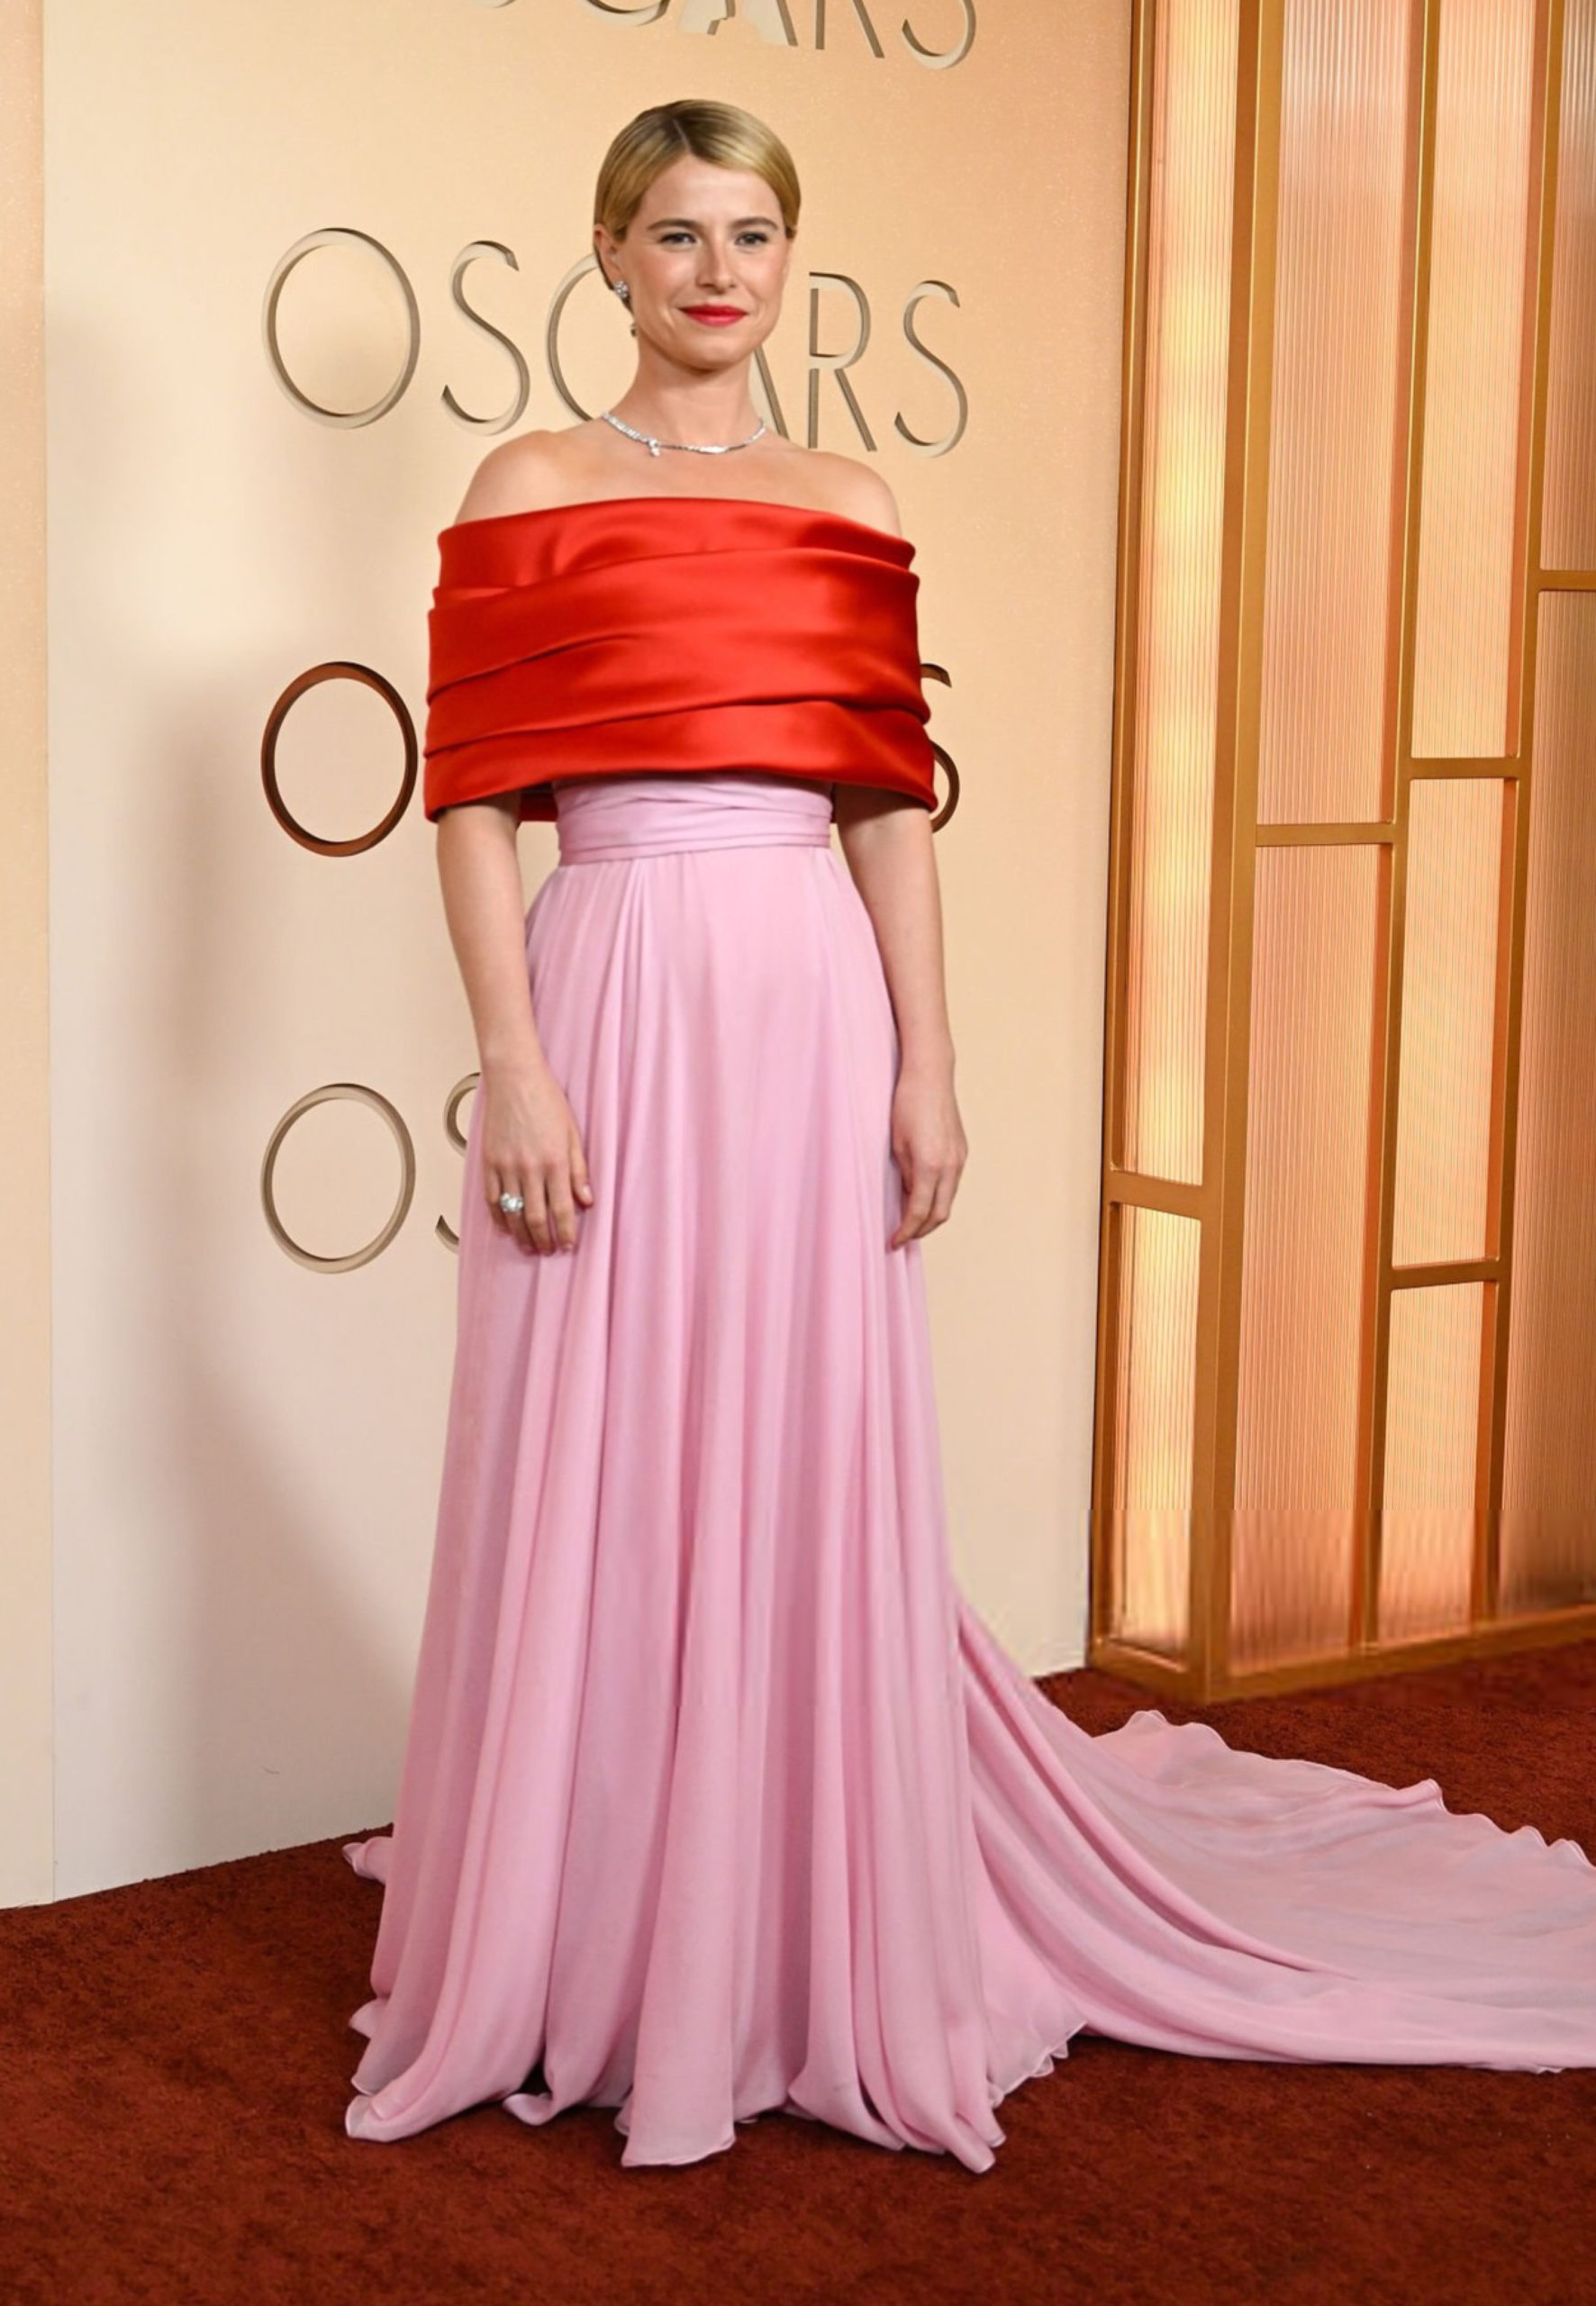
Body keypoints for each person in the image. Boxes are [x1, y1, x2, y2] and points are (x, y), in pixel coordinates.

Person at [341, 98, 1596, 2173]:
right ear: (608, 254)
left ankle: (790, 1912)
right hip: (611, 982)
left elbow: (886, 815)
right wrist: (517, 1059)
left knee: (796, 1439)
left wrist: (927, 1060)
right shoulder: (530, 484)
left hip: (804, 997)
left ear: (787, 257)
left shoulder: (847, 494)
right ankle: (598, 1917)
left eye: (753, 233)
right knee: (593, 1434)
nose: (718, 271)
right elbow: (471, 804)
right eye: (678, 233)